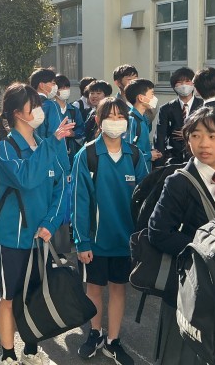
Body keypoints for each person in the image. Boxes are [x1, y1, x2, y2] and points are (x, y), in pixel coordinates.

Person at [147, 106, 215, 364]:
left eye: (213, 136)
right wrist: (206, 252)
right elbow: (159, 232)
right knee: (182, 353)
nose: (203, 144)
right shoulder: (179, 181)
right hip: (191, 284)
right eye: (195, 136)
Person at [0, 83, 75, 365]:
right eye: (34, 106)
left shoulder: (45, 143)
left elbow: (61, 185)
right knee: (9, 297)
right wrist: (52, 142)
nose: (40, 110)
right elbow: (25, 178)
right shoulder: (5, 148)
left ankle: (31, 350)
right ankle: (7, 354)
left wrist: (51, 223)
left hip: (41, 238)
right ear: (18, 113)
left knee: (34, 296)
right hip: (12, 238)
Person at [72, 97, 149, 365]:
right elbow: (79, 201)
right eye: (110, 116)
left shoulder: (135, 155)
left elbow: (146, 200)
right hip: (95, 242)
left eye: (120, 117)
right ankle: (95, 333)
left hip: (125, 241)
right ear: (98, 120)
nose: (115, 122)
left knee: (119, 289)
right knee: (94, 288)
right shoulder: (87, 155)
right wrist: (81, 242)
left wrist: (141, 240)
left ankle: (113, 341)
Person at [154, 67, 203, 165]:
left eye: (187, 81)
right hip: (173, 158)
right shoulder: (166, 109)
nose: (184, 85)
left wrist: (188, 134)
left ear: (194, 83)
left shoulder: (203, 106)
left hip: (198, 157)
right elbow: (160, 137)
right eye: (179, 82)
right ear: (174, 86)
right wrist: (159, 163)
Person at [125, 78, 162, 170]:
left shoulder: (144, 118)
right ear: (141, 98)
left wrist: (151, 152)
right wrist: (149, 155)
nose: (154, 98)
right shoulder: (131, 120)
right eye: (152, 94)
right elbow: (127, 152)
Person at [54, 74, 85, 165]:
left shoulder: (73, 110)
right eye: (61, 88)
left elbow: (81, 129)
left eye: (67, 87)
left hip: (71, 154)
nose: (65, 90)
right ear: (55, 90)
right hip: (54, 154)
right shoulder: (49, 110)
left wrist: (73, 133)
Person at [29, 68, 63, 140]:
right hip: (45, 146)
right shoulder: (51, 105)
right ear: (42, 85)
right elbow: (56, 135)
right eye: (53, 83)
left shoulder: (25, 104)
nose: (55, 87)